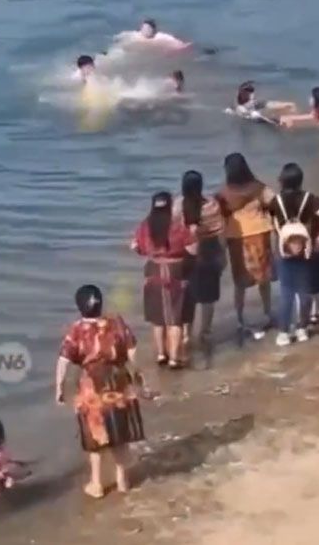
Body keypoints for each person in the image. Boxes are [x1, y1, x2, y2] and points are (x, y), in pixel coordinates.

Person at [55, 285, 147, 498]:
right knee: (119, 434)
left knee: (94, 438)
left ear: (80, 307)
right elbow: (133, 351)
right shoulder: (116, 323)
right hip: (118, 383)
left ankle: (96, 484)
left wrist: (59, 387)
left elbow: (64, 361)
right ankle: (122, 479)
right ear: (101, 303)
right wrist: (139, 377)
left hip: (92, 388)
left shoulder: (77, 329)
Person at [267, 163, 319, 346]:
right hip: (305, 250)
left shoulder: (275, 201)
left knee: (286, 292)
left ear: (283, 180)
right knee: (305, 291)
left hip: (284, 250)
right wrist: (318, 238)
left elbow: (270, 222)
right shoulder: (309, 199)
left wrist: (279, 234)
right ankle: (302, 329)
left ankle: (284, 333)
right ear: (300, 180)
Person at [132, 192, 196, 368]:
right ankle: (174, 359)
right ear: (169, 206)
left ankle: (161, 355)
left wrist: (149, 252)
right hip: (176, 272)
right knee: (175, 318)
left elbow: (135, 246)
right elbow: (193, 249)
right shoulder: (177, 226)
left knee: (157, 318)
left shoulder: (145, 226)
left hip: (153, 271)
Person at [217, 153, 277, 339]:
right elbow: (276, 203)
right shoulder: (259, 188)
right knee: (264, 279)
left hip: (237, 238)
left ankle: (239, 319)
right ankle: (267, 313)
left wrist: (220, 244)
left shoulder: (224, 194)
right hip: (259, 236)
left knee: (240, 282)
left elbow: (219, 218)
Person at [177, 171, 226, 357]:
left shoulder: (177, 206)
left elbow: (173, 231)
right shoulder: (212, 206)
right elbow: (220, 232)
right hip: (209, 253)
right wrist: (223, 256)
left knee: (186, 296)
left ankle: (185, 334)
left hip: (185, 255)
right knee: (208, 298)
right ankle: (205, 332)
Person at [115, 19, 191, 50]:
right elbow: (120, 36)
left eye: (149, 29)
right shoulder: (135, 35)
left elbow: (173, 40)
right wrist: (117, 38)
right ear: (141, 29)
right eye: (144, 29)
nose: (146, 31)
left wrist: (183, 45)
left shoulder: (158, 37)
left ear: (154, 30)